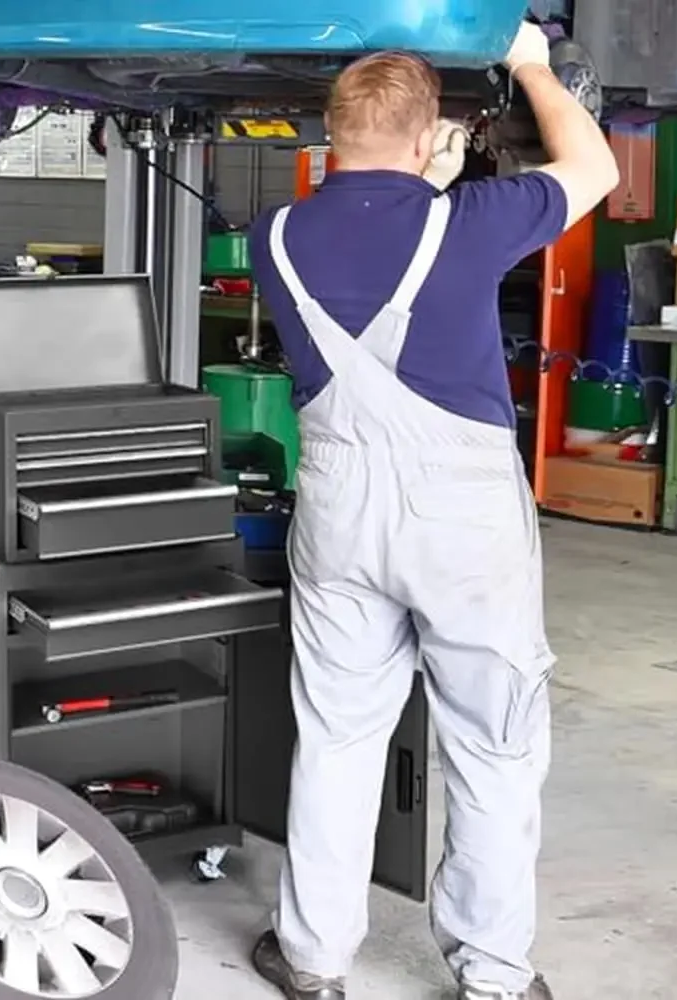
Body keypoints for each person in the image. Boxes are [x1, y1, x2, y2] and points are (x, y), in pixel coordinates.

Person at [246, 21, 618, 1000]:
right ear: (428, 142)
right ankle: (492, 974)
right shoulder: (470, 220)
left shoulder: (273, 235)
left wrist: (426, 177)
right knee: (491, 743)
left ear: (327, 139)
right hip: (460, 517)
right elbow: (593, 164)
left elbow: (364, 235)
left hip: (337, 501)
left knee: (335, 731)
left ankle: (313, 958)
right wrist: (532, 63)